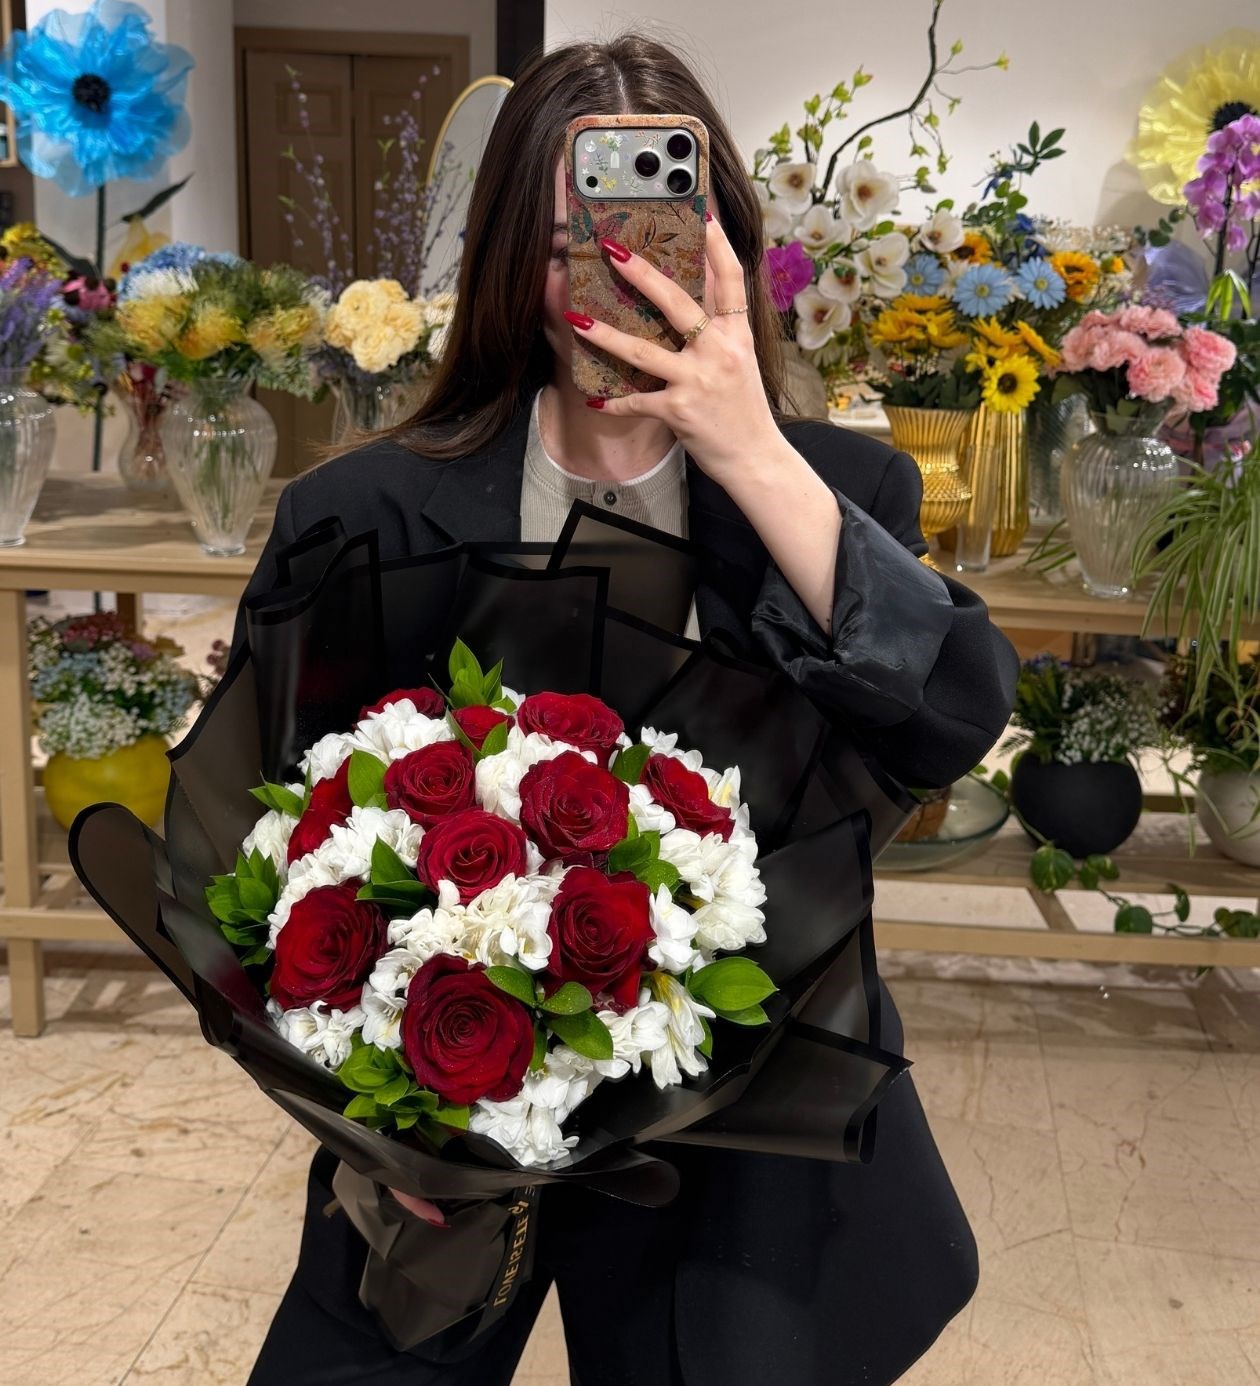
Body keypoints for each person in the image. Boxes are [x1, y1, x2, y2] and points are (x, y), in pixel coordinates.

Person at [237, 33, 1018, 1386]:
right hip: (447, 1103)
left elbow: (950, 715)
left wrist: (752, 452)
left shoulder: (832, 494)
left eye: (655, 234)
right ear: (503, 260)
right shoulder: (362, 514)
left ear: (723, 246)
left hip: (743, 1132)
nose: (611, 276)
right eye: (566, 244)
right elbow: (258, 860)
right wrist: (362, 1120)